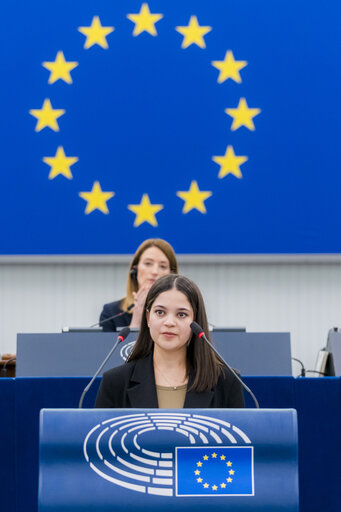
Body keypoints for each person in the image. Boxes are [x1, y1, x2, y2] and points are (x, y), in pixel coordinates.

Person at [95, 274, 245, 409]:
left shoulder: (226, 382)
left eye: (181, 314)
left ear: (196, 321)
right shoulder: (115, 382)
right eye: (160, 312)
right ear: (148, 318)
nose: (169, 322)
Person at [99, 239, 178, 331]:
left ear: (172, 275)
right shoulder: (111, 312)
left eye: (162, 266)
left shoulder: (182, 311)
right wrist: (137, 318)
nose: (154, 271)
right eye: (148, 263)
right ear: (135, 270)